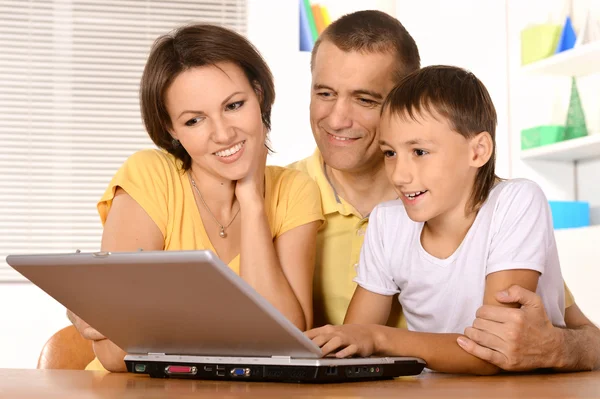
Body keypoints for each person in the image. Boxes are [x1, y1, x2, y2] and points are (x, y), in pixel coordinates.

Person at [290, 10, 600, 371]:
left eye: (365, 99)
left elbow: (529, 343)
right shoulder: (288, 198)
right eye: (325, 92)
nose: (339, 118)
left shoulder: (511, 206)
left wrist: (378, 337)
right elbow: (354, 338)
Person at [67, 24, 324, 372]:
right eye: (194, 120)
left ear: (259, 95)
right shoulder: (150, 176)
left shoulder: (295, 190)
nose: (222, 133)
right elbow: (115, 353)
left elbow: (289, 343)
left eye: (234, 105)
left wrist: (250, 200)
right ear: (171, 129)